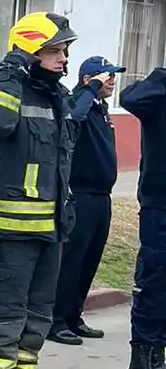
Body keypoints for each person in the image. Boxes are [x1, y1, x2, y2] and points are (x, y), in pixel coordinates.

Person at [0, 11, 78, 369]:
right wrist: (11, 71)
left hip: (48, 229)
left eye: (64, 50)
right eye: (54, 50)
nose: (63, 58)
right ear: (31, 51)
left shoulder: (56, 96)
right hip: (8, 233)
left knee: (37, 318)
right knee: (5, 316)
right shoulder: (6, 90)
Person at [48, 55, 123, 345]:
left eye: (113, 76)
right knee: (72, 260)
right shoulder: (77, 102)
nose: (112, 81)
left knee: (90, 259)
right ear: (87, 79)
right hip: (80, 195)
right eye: (106, 76)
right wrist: (89, 89)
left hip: (102, 196)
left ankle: (73, 315)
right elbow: (73, 117)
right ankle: (56, 320)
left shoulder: (101, 109)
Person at [118, 64, 166, 369]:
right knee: (153, 286)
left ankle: (157, 365)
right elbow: (130, 98)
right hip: (159, 208)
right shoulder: (158, 93)